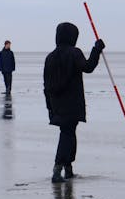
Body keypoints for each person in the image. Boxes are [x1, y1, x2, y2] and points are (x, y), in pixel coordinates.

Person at [44, 22, 105, 183]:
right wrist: (96, 49)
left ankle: (68, 168)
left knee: (68, 133)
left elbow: (46, 85)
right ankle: (57, 170)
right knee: (67, 133)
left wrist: (49, 105)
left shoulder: (50, 57)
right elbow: (88, 67)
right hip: (71, 102)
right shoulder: (74, 53)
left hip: (55, 102)